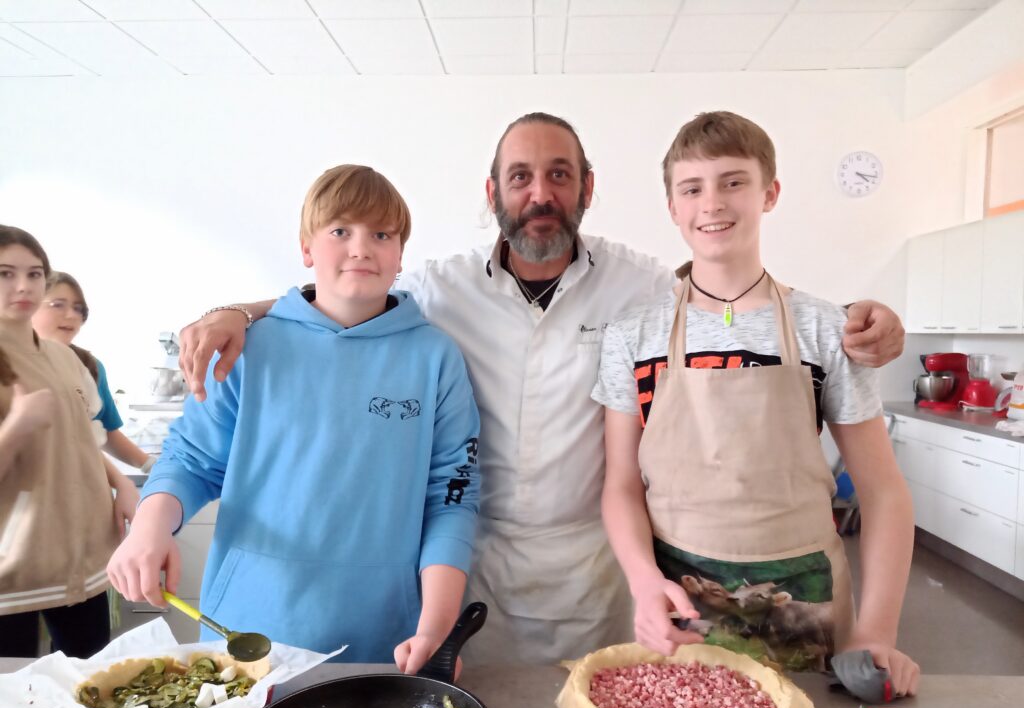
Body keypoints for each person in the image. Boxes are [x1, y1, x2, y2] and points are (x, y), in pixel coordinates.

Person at [174, 113, 907, 665]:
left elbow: (728, 288)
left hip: (595, 567)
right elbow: (345, 290)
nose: (540, 193)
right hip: (473, 559)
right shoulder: (441, 286)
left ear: (587, 187)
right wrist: (239, 312)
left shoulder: (639, 285)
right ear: (493, 192)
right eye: (521, 176)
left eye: (559, 175)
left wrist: (854, 320)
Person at [594, 111, 919, 695]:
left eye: (733, 182)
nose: (712, 203)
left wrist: (877, 630)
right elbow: (621, 484)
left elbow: (883, 491)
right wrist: (643, 583)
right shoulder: (632, 337)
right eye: (692, 188)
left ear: (770, 193)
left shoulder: (826, 329)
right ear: (672, 207)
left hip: (805, 597)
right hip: (677, 599)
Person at [106, 165, 481, 670]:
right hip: (248, 632)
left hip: (387, 640)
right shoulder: (247, 347)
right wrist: (149, 528)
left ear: (400, 256)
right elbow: (191, 461)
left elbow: (452, 496)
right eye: (340, 231)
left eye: (381, 234)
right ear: (307, 249)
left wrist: (435, 627)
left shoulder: (435, 357)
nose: (361, 248)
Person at [0, 225, 130, 658]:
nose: (23, 286)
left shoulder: (64, 357)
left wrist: (125, 486)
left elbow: (83, 441)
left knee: (92, 682)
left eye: (34, 274)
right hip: (14, 571)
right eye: (5, 274)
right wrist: (17, 426)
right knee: (14, 692)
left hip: (85, 560)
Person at [32, 271, 155, 472]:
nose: (71, 315)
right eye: (58, 305)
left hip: (81, 482)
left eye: (78, 308)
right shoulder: (11, 365)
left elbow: (104, 432)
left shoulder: (89, 366)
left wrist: (150, 465)